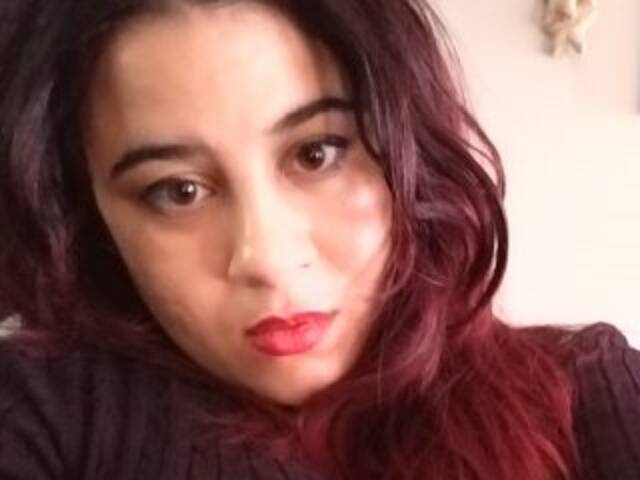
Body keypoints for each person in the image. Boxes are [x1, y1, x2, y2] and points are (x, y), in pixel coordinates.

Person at [0, 1, 638, 479]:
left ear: (411, 154)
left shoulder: (585, 394)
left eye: (316, 154)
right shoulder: (54, 409)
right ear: (91, 218)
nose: (268, 259)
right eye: (178, 191)